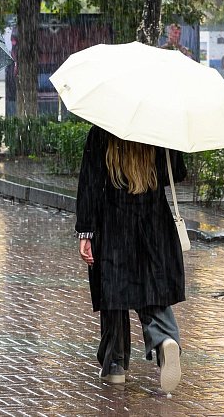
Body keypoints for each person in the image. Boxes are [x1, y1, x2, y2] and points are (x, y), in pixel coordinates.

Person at [75, 125, 188, 392]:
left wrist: (85, 231)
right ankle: (164, 341)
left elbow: (90, 182)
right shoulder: (159, 127)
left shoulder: (103, 130)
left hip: (114, 221)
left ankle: (115, 364)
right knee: (153, 289)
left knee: (114, 292)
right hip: (153, 218)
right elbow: (177, 173)